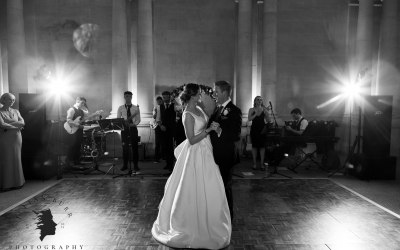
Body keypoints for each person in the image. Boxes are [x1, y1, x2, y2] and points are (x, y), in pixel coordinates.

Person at [152, 83, 231, 249]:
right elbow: (192, 139)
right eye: (200, 93)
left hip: (206, 151)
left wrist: (214, 127)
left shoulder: (199, 108)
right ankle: (190, 226)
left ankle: (211, 222)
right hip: (195, 153)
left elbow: (206, 122)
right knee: (192, 188)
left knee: (210, 186)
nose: (201, 95)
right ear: (194, 94)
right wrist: (209, 130)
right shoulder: (187, 113)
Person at [208, 80, 242, 219]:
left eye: (216, 91)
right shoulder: (217, 108)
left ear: (224, 92)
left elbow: (236, 135)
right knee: (218, 186)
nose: (214, 94)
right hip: (216, 153)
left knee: (225, 186)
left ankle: (228, 216)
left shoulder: (235, 111)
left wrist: (220, 130)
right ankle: (220, 213)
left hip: (226, 155)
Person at [0, 93, 25, 191]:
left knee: (16, 158)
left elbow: (22, 122)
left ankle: (18, 182)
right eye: (10, 99)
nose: (12, 102)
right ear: (4, 100)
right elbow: (2, 125)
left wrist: (10, 124)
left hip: (17, 137)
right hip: (5, 138)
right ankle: (6, 184)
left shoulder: (16, 111)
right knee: (6, 159)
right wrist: (16, 126)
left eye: (13, 100)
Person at [117, 91, 141, 172]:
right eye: (126, 96)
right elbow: (118, 119)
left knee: (135, 147)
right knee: (125, 148)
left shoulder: (136, 108)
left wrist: (133, 124)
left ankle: (136, 165)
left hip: (133, 129)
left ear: (131, 97)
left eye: (129, 96)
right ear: (124, 97)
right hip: (124, 129)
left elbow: (138, 119)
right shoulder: (120, 108)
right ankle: (125, 165)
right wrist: (123, 123)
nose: (127, 97)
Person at [248, 96, 270, 171]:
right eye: (258, 100)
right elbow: (249, 119)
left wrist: (267, 112)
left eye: (261, 100)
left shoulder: (264, 109)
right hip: (254, 129)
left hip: (262, 130)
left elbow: (268, 120)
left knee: (262, 147)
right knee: (254, 146)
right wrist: (255, 114)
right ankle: (254, 164)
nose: (259, 101)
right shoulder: (251, 109)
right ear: (255, 101)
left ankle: (261, 164)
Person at [158, 91, 176, 171]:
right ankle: (168, 164)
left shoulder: (174, 106)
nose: (165, 99)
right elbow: (158, 118)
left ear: (169, 97)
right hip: (163, 129)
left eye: (166, 97)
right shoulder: (160, 107)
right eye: (164, 97)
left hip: (172, 129)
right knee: (165, 147)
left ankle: (171, 165)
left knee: (171, 148)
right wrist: (161, 126)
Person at [152, 96, 163, 163]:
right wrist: (155, 113)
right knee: (157, 143)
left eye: (160, 101)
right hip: (157, 126)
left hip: (163, 125)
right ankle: (157, 158)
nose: (159, 102)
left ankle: (163, 156)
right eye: (158, 101)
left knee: (163, 142)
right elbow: (154, 117)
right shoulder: (155, 107)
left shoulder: (164, 107)